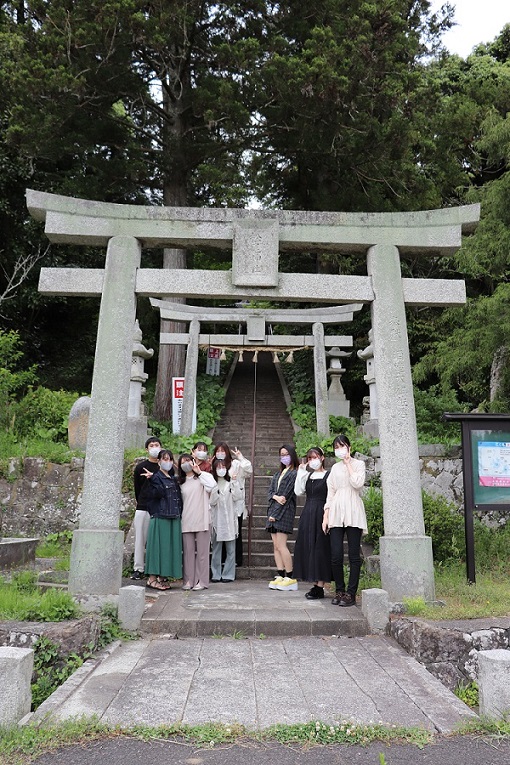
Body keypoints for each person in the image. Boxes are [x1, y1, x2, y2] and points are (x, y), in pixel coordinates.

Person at [322, 434, 367, 607]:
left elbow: (357, 483)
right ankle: (339, 590)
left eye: (342, 446)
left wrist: (348, 464)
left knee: (354, 555)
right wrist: (326, 515)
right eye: (336, 447)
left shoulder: (359, 464)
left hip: (353, 509)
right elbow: (330, 492)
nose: (339, 449)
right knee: (336, 554)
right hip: (336, 511)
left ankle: (351, 593)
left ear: (349, 446)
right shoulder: (334, 468)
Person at [293, 447, 332, 600]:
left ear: (322, 458)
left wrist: (328, 516)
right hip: (308, 512)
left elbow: (331, 495)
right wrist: (301, 472)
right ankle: (314, 582)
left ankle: (320, 585)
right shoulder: (307, 475)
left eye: (315, 457)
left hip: (322, 512)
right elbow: (298, 491)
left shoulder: (329, 475)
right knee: (308, 546)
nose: (312, 460)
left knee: (321, 548)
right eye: (309, 458)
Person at [142, 449, 183, 590]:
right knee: (158, 548)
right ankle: (152, 579)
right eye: (164, 459)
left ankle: (163, 576)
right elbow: (152, 496)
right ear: (159, 461)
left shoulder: (173, 478)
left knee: (169, 548)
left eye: (170, 459)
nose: (168, 462)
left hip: (174, 516)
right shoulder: (154, 477)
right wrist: (153, 478)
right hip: (160, 516)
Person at [178, 452, 216, 591]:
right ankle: (188, 580)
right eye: (183, 462)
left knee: (202, 553)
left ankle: (202, 581)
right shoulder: (180, 482)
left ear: (194, 461)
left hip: (203, 519)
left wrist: (199, 473)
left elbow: (212, 486)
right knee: (188, 552)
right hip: (187, 519)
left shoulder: (203, 477)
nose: (186, 463)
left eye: (188, 460)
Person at [211, 442, 252, 566]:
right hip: (219, 505)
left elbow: (248, 470)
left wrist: (240, 457)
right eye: (218, 451)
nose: (220, 453)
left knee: (235, 533)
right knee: (219, 534)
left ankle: (236, 560)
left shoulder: (235, 464)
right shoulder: (214, 467)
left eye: (223, 451)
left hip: (234, 505)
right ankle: (222, 560)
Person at [266, 444, 300, 591]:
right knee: (275, 546)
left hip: (284, 512)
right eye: (282, 454)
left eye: (286, 454)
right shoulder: (277, 474)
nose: (284, 457)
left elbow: (286, 497)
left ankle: (290, 577)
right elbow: (270, 493)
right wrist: (275, 497)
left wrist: (275, 513)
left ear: (292, 455)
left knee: (281, 545)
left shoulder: (294, 474)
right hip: (273, 511)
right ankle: (280, 574)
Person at [131, 437, 161, 579]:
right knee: (139, 539)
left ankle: (155, 568)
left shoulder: (165, 467)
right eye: (151, 445)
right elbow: (137, 488)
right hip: (143, 507)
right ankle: (138, 568)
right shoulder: (140, 467)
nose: (154, 447)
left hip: (159, 508)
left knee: (157, 541)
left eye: (156, 445)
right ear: (147, 449)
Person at [209, 459, 242, 582]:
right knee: (216, 550)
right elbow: (211, 501)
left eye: (223, 467)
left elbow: (238, 496)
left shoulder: (231, 483)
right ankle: (216, 574)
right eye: (218, 467)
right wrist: (214, 491)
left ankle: (228, 574)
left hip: (230, 521)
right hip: (217, 521)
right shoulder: (212, 483)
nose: (221, 469)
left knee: (231, 550)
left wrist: (234, 481)